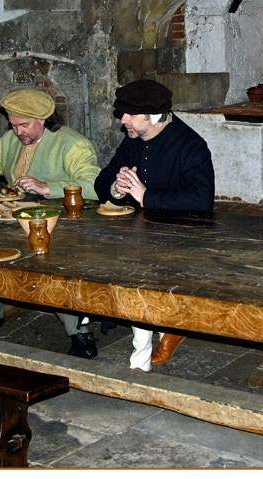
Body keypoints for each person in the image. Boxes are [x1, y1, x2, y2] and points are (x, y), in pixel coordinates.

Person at [0, 88, 102, 358]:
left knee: (52, 266)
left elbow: (95, 186)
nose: (18, 132)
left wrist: (46, 187)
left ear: (42, 119)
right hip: (15, 219)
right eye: (13, 125)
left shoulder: (72, 144)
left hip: (61, 225)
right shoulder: (10, 139)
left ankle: (79, 330)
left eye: (24, 125)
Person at [94, 79, 215, 372]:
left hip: (183, 238)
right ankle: (164, 327)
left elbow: (201, 200)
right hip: (141, 234)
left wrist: (146, 196)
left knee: (140, 270)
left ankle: (140, 355)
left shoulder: (190, 145)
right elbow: (102, 180)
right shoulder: (134, 139)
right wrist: (117, 188)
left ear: (154, 116)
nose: (122, 121)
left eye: (129, 115)